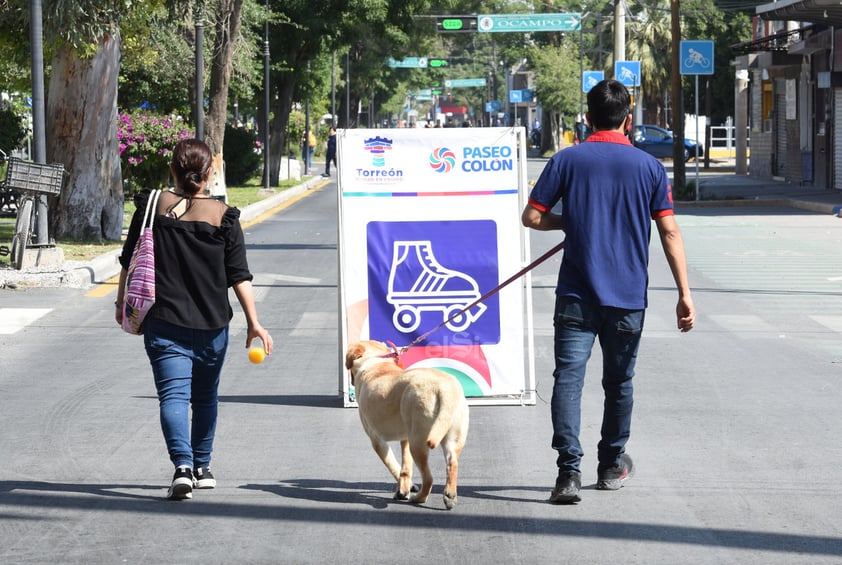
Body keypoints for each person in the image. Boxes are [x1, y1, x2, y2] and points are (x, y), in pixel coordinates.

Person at [521, 79, 695, 505]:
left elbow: (532, 217)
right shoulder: (649, 167)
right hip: (627, 298)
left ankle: (568, 473)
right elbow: (669, 232)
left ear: (587, 117)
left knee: (569, 380)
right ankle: (611, 465)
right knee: (619, 383)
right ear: (628, 119)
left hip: (576, 296)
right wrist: (684, 293)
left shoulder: (567, 160)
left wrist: (571, 220)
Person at [115, 138, 273, 501]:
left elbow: (127, 260)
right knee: (205, 398)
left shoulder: (152, 206)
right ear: (208, 175)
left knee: (173, 396)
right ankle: (202, 467)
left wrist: (122, 301)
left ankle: (182, 467)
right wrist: (254, 323)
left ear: (172, 170)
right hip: (213, 325)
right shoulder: (225, 216)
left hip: (164, 322)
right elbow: (239, 276)